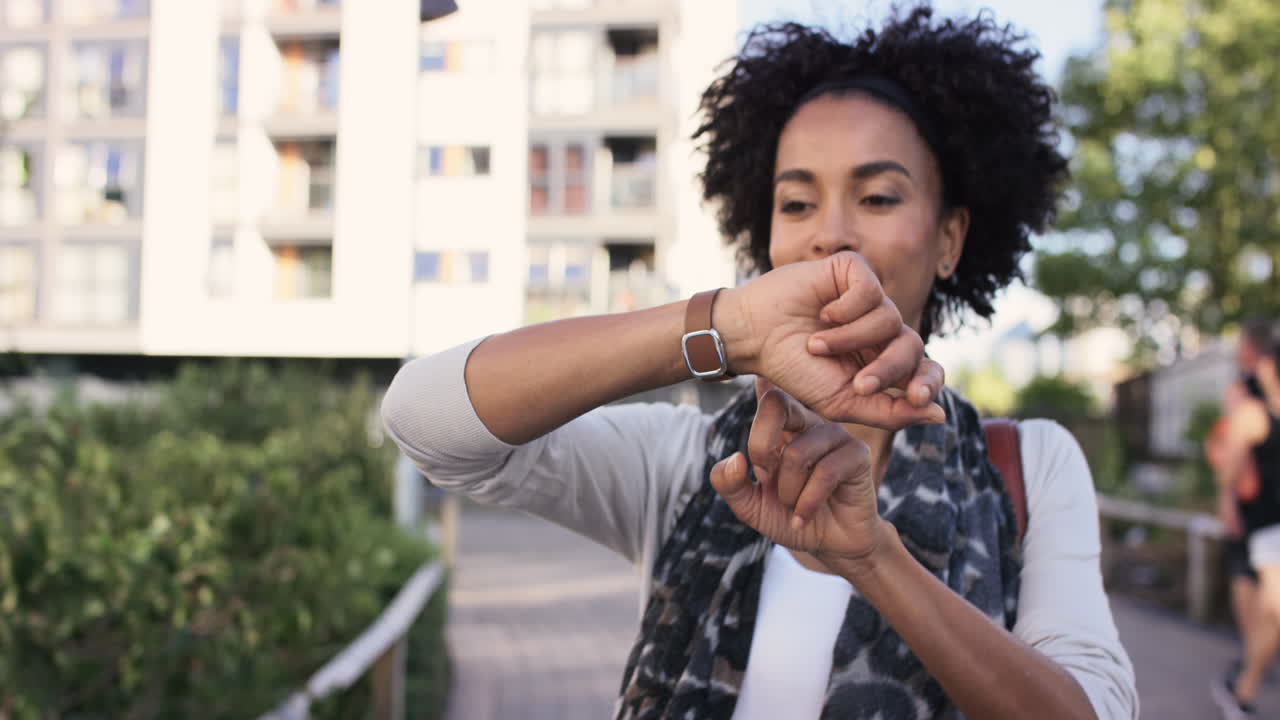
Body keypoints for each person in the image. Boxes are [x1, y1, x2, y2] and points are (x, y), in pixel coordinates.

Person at [382, 6, 1137, 719]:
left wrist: (875, 559)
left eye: (877, 197)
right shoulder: (687, 465)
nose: (830, 235)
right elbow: (425, 419)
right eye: (797, 204)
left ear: (948, 240)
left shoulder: (1029, 465)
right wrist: (728, 324)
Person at [1213, 325, 1280, 719]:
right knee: (1268, 611)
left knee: (1268, 616)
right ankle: (1242, 689)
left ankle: (1242, 687)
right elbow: (1228, 471)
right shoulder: (1252, 411)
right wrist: (1227, 504)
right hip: (1264, 527)